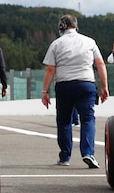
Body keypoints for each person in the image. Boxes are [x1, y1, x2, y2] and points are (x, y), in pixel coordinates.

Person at [41, 14, 109, 168]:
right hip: (86, 83)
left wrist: (45, 91)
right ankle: (88, 153)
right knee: (87, 119)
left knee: (64, 121)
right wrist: (105, 87)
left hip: (64, 85)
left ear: (62, 27)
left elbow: (51, 69)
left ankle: (65, 157)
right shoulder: (89, 41)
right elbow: (100, 64)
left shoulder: (56, 44)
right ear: (76, 26)